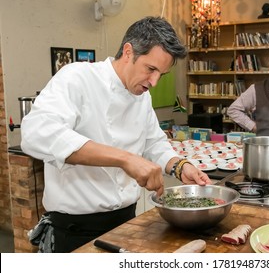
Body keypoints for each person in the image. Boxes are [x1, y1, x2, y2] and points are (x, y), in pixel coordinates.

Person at [21, 16, 212, 253]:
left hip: (128, 223)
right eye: (151, 69)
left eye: (160, 74)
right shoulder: (77, 78)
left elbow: (155, 144)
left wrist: (180, 166)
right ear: (129, 52)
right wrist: (126, 159)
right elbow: (36, 134)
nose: (154, 82)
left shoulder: (142, 96)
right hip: (76, 230)